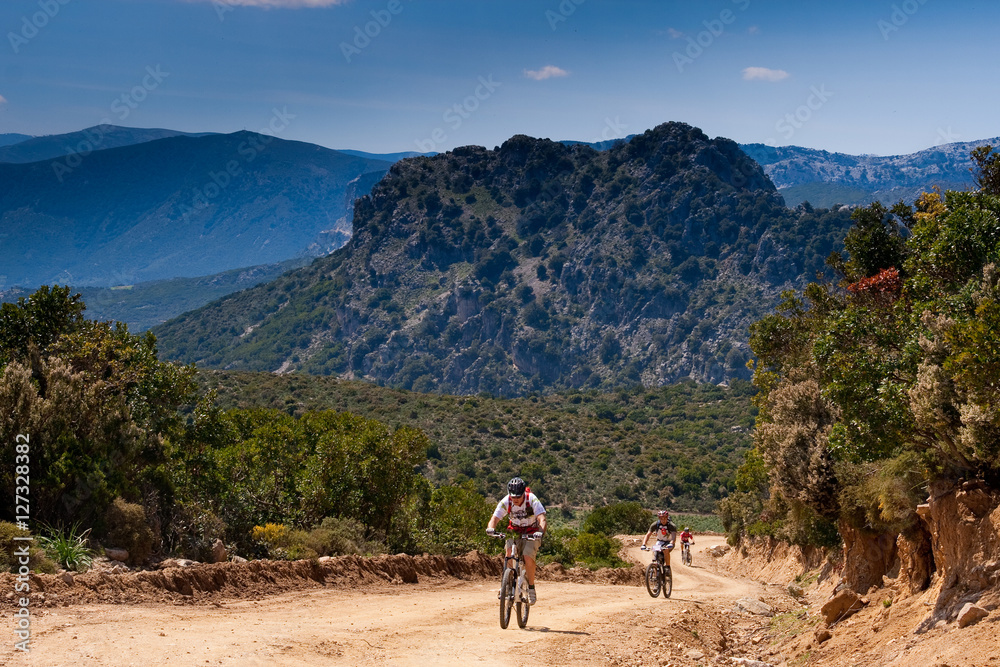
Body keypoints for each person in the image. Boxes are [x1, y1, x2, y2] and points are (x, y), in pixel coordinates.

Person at [486, 477, 547, 604]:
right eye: (513, 497)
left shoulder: (532, 499)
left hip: (531, 531)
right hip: (514, 530)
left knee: (528, 556)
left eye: (518, 497)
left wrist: (540, 532)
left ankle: (531, 588)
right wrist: (491, 528)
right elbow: (495, 518)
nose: (515, 500)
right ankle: (507, 585)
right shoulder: (506, 501)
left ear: (524, 493)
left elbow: (542, 519)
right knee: (509, 554)